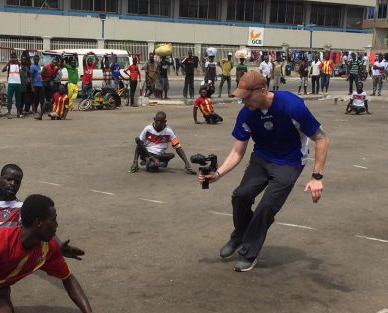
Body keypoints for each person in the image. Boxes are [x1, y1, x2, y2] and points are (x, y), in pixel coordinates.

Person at [199, 71, 329, 272]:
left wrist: (316, 176)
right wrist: (217, 174)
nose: (244, 101)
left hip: (290, 161)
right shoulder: (247, 113)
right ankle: (240, 235)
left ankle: (248, 253)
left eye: (247, 96)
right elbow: (237, 151)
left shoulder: (291, 106)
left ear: (263, 90)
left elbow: (321, 139)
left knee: (266, 206)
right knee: (240, 196)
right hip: (262, 158)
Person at [129, 111, 196, 174]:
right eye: (157, 120)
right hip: (146, 152)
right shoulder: (148, 129)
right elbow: (139, 144)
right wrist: (135, 162)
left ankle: (152, 159)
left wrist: (186, 163)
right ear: (154, 119)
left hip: (160, 155)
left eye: (161, 121)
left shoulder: (169, 131)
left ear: (165, 121)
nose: (159, 123)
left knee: (171, 155)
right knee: (139, 142)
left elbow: (178, 147)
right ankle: (151, 160)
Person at [2, 52, 22, 119]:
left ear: (16, 57)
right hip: (11, 83)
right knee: (9, 98)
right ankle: (9, 112)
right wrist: (8, 62)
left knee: (18, 98)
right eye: (12, 57)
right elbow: (3, 70)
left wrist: (18, 62)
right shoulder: (9, 65)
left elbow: (24, 69)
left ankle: (18, 112)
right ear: (10, 58)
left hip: (18, 83)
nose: (13, 59)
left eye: (14, 57)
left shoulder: (18, 65)